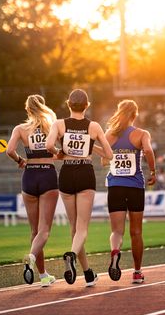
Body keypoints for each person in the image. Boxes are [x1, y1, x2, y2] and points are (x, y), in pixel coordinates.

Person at [46, 88, 113, 287]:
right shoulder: (93, 126)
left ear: (68, 105)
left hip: (66, 172)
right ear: (86, 106)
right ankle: (72, 255)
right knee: (82, 229)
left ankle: (88, 273)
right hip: (85, 173)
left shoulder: (58, 124)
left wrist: (59, 153)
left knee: (75, 228)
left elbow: (49, 145)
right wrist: (90, 147)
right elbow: (108, 155)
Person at [98, 99, 156, 284]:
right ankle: (137, 272)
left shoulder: (109, 134)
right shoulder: (141, 134)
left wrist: (112, 155)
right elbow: (148, 150)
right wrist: (153, 171)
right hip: (135, 186)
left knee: (116, 231)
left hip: (115, 186)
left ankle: (115, 252)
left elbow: (104, 161)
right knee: (136, 232)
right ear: (135, 115)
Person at [6, 94, 59, 288]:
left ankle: (43, 275)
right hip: (47, 176)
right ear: (43, 107)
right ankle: (31, 256)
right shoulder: (51, 126)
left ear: (27, 110)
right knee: (44, 231)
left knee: (35, 230)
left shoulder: (20, 129)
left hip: (29, 177)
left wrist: (21, 160)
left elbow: (9, 150)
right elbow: (58, 150)